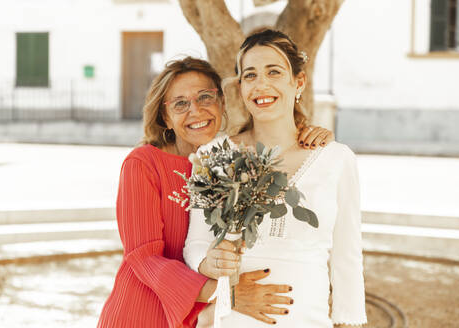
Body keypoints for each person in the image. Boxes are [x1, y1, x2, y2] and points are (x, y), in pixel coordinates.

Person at [97, 56, 334, 327]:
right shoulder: (143, 164)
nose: (195, 111)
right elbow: (144, 257)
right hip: (142, 313)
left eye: (205, 98)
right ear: (165, 116)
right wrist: (225, 294)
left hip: (204, 318)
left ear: (222, 102)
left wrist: (311, 137)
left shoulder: (235, 158)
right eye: (180, 103)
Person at [183, 30, 367, 327]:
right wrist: (208, 262)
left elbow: (348, 257)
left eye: (274, 72)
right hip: (235, 320)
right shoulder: (213, 156)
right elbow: (195, 244)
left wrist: (349, 321)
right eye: (250, 75)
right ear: (241, 87)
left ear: (299, 82)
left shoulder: (337, 159)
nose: (261, 85)